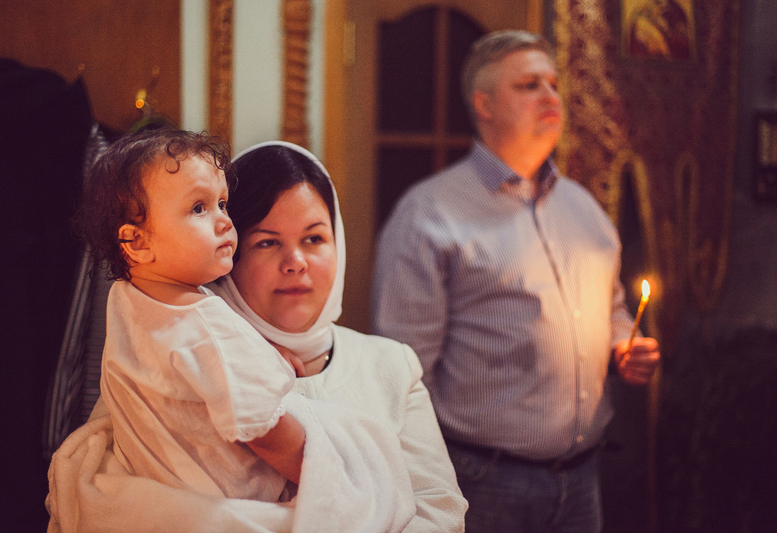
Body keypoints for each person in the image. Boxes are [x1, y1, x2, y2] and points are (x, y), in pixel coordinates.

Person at [46, 140, 467, 533]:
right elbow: (112, 500)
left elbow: (439, 512)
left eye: (314, 238)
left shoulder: (391, 365)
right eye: (267, 242)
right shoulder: (164, 348)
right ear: (234, 255)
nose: (296, 262)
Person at [372, 30, 661, 533]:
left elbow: (612, 306)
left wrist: (623, 342)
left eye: (553, 84)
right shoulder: (430, 213)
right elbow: (403, 368)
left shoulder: (582, 207)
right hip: (482, 478)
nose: (550, 96)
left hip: (584, 476)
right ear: (484, 104)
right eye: (529, 85)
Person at [76, 129, 304, 500]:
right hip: (231, 500)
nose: (225, 221)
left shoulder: (127, 297)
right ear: (138, 242)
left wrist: (260, 352)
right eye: (199, 208)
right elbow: (267, 432)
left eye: (222, 204)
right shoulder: (207, 326)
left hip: (158, 489)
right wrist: (322, 473)